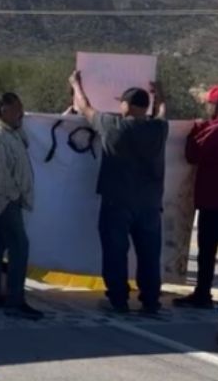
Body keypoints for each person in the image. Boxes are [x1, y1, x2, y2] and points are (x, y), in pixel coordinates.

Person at [70, 70, 168, 314]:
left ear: (125, 105)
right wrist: (161, 95)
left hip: (117, 200)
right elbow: (163, 111)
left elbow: (84, 108)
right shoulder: (159, 129)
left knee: (115, 251)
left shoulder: (113, 126)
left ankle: (118, 300)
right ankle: (150, 301)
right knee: (149, 254)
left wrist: (76, 85)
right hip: (149, 203)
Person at [0, 92, 43, 320]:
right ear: (4, 110)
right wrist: (14, 196)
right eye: (17, 110)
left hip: (0, 200)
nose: (21, 114)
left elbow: (25, 140)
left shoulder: (10, 131)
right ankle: (15, 300)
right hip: (4, 200)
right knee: (19, 246)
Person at [175, 84, 218, 309]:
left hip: (214, 200)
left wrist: (193, 132)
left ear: (216, 106)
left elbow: (192, 155)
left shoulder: (213, 130)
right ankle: (201, 293)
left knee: (207, 251)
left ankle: (202, 294)